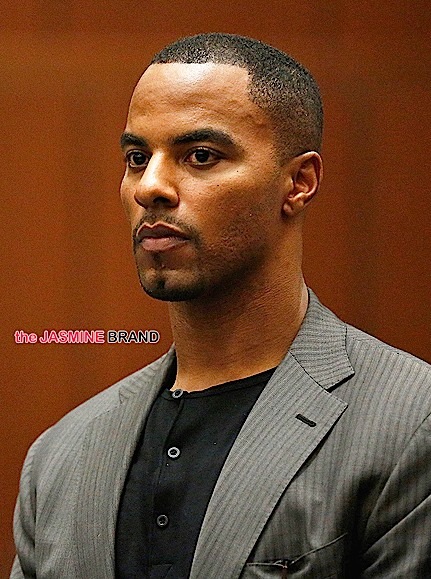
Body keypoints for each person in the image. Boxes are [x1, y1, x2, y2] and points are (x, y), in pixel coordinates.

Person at [11, 33, 431, 579]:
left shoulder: (410, 423)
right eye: (137, 158)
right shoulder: (59, 456)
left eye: (200, 156)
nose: (151, 187)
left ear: (299, 182)